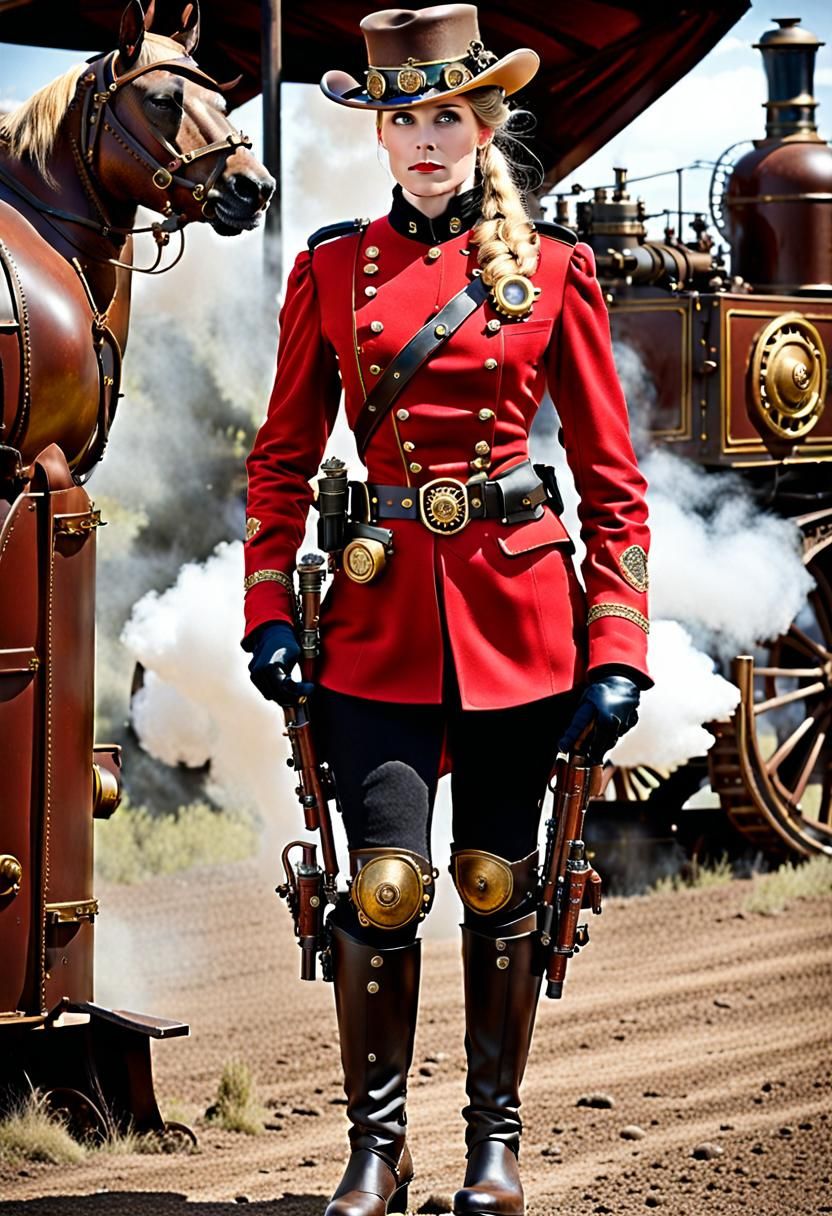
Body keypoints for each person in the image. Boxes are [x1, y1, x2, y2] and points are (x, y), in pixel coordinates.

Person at [242, 6, 652, 1214]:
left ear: (483, 128)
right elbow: (278, 462)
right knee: (379, 885)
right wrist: (269, 607)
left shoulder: (558, 270)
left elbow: (614, 483)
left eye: (446, 119)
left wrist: (616, 641)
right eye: (404, 120)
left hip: (520, 621)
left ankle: (494, 1143)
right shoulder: (330, 267)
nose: (425, 141)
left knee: (491, 876)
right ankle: (376, 1148)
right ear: (379, 134)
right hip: (375, 624)